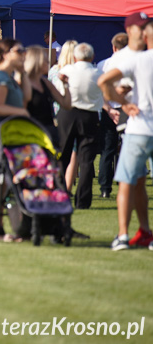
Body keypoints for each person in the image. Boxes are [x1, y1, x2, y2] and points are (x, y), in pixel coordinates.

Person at [99, 13, 153, 251]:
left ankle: (133, 233)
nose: (143, 32)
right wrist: (121, 101)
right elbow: (107, 88)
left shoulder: (138, 59)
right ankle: (141, 232)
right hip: (132, 124)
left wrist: (121, 97)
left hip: (139, 127)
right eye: (140, 28)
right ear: (130, 30)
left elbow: (106, 84)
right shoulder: (124, 58)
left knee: (132, 181)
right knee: (134, 179)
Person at [0, 39, 31, 241]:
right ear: (7, 53)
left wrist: (24, 73)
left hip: (11, 133)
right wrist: (21, 112)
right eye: (20, 51)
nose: (23, 54)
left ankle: (7, 227)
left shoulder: (9, 77)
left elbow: (26, 98)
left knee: (6, 183)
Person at [59, 42, 103, 209]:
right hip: (90, 116)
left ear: (75, 57)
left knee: (63, 156)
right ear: (91, 57)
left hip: (68, 113)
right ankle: (83, 201)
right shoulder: (98, 73)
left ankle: (60, 193)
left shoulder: (67, 70)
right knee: (86, 160)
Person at [96, 33, 129, 199]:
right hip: (126, 109)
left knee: (107, 150)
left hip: (108, 108)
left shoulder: (104, 64)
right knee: (128, 148)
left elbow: (98, 90)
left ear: (114, 47)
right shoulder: (132, 64)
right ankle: (126, 184)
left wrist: (107, 108)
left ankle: (105, 188)